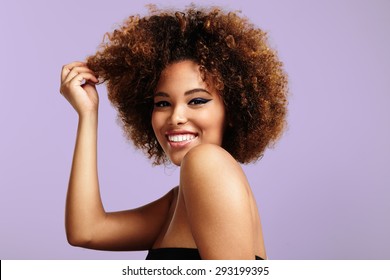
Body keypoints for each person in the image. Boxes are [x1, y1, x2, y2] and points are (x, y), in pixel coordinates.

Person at [59, 5, 287, 260]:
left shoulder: (207, 162)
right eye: (163, 103)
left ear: (232, 111)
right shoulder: (177, 202)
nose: (176, 117)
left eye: (197, 101)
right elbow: (86, 230)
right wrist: (88, 114)